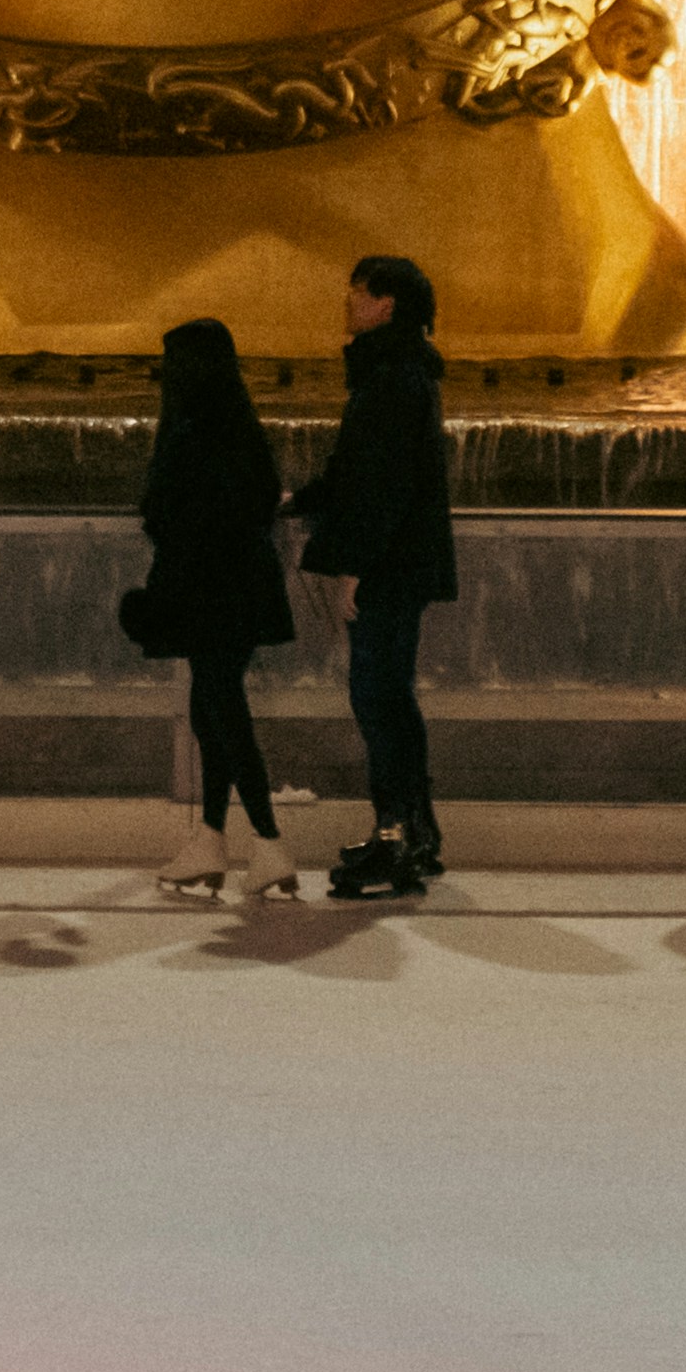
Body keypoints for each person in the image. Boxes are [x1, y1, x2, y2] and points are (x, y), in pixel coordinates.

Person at [297, 251, 461, 899]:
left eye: (358, 291)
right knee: (393, 698)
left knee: (377, 699)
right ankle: (414, 831)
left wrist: (356, 569)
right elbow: (357, 471)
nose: (348, 300)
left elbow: (381, 484)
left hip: (388, 568)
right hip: (403, 563)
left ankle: (394, 836)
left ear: (385, 305)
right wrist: (298, 501)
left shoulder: (390, 377)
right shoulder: (400, 371)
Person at [132, 317, 302, 897]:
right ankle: (210, 836)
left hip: (206, 591)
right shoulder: (239, 424)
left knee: (221, 711)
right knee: (213, 708)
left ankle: (268, 840)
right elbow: (259, 500)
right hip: (244, 588)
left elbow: (165, 512)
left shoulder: (187, 431)